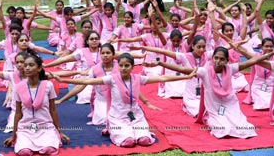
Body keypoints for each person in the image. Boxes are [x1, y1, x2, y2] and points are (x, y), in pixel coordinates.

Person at [53, 52, 196, 147]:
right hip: (118, 117)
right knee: (128, 142)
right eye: (121, 65)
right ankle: (120, 133)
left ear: (132, 67)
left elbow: (163, 77)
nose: (123, 68)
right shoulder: (112, 79)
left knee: (144, 141)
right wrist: (62, 79)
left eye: (127, 65)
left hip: (136, 116)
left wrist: (186, 76)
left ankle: (139, 132)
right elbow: (87, 82)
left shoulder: (138, 78)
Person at [153, 47, 274, 138]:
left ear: (227, 60)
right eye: (216, 58)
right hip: (214, 108)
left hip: (230, 105)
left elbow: (251, 62)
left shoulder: (230, 68)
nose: (218, 61)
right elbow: (182, 69)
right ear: (213, 58)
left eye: (222, 59)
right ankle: (211, 119)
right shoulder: (204, 71)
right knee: (223, 128)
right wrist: (160, 63)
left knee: (243, 127)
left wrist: (269, 54)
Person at [3, 54, 70, 155]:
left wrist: (59, 132)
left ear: (39, 68)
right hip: (25, 128)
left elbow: (53, 110)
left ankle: (52, 136)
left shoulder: (48, 85)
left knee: (49, 149)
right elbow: (18, 113)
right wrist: (13, 136)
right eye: (25, 66)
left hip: (45, 127)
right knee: (24, 152)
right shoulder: (18, 87)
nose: (27, 68)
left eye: (31, 65)